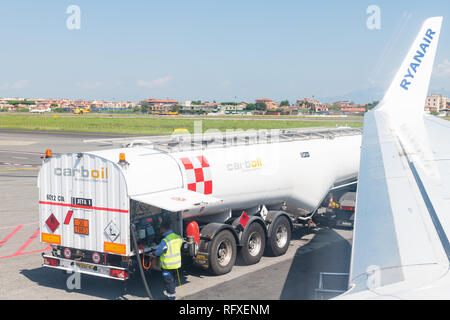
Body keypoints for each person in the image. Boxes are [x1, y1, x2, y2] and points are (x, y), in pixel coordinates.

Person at [153, 217, 183, 300]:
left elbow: (158, 252)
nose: (160, 231)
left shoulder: (165, 241)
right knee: (173, 280)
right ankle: (172, 294)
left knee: (168, 282)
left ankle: (171, 297)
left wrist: (154, 253)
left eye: (161, 229)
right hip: (176, 264)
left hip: (167, 266)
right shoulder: (178, 237)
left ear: (163, 229)